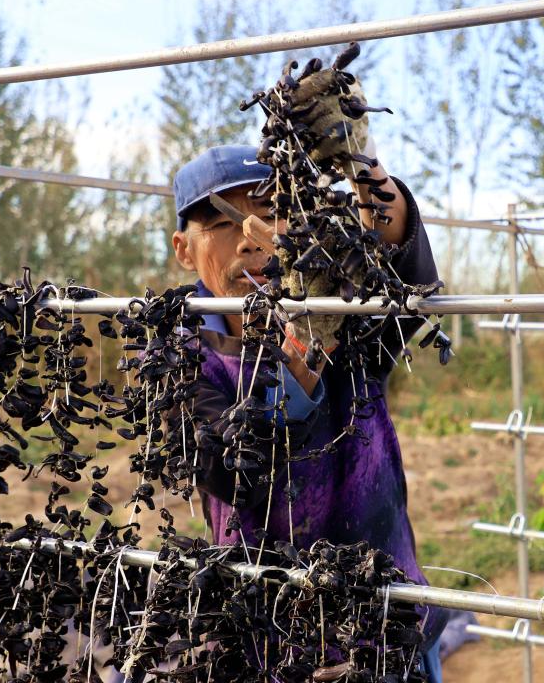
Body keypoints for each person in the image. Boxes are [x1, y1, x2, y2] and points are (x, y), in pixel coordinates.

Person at [170, 144, 475, 682]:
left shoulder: (347, 313)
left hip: (387, 627)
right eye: (223, 222)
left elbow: (402, 268)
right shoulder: (175, 355)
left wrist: (364, 165)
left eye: (269, 214)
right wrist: (304, 345)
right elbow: (229, 470)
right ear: (184, 251)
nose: (250, 237)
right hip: (267, 636)